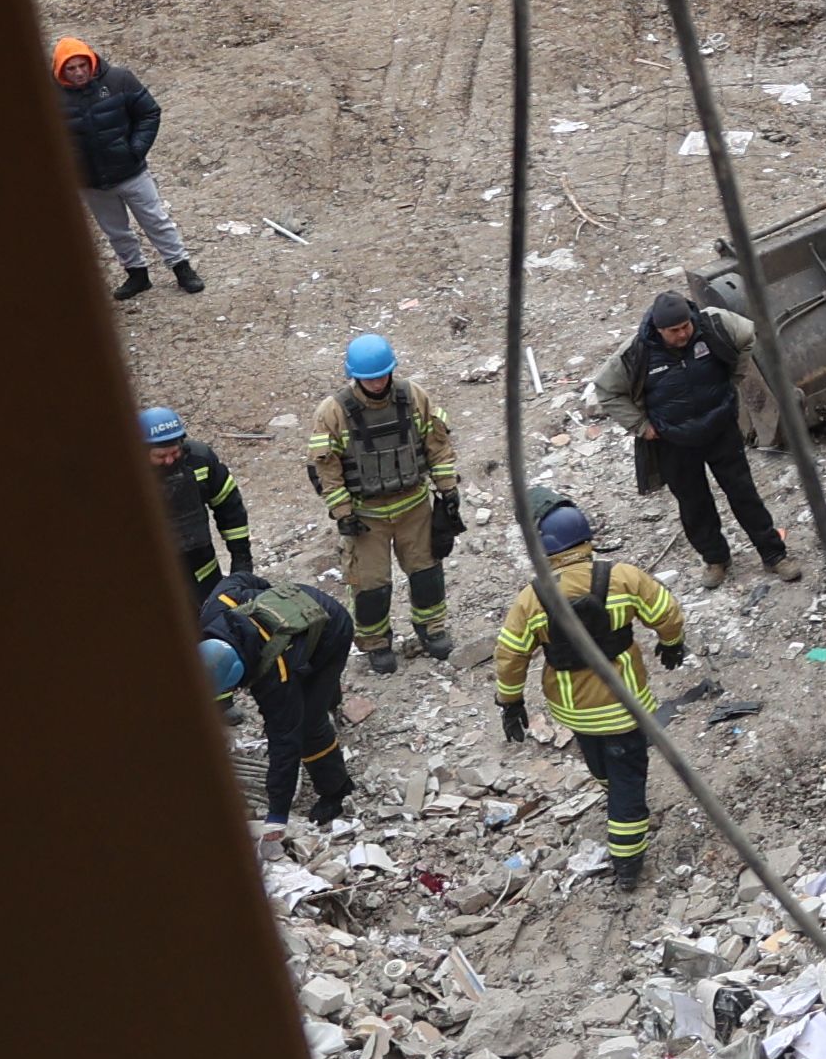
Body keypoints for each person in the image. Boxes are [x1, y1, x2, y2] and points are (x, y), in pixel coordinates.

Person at [494, 500, 686, 890]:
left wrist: (511, 702)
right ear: (585, 538)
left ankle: (618, 805)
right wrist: (672, 643)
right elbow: (667, 612)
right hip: (626, 705)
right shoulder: (624, 577)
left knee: (603, 768)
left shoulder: (531, 599)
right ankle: (628, 863)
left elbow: (511, 655)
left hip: (576, 711)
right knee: (629, 778)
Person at [602, 286, 790, 582]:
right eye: (674, 330)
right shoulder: (636, 352)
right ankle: (715, 560)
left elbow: (746, 335)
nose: (683, 334)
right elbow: (607, 391)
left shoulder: (712, 325)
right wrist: (641, 426)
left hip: (720, 430)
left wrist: (734, 379)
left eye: (685, 326)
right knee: (694, 504)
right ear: (659, 329)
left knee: (744, 494)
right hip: (674, 443)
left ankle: (774, 555)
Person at [308, 335, 463, 671]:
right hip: (367, 515)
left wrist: (448, 491)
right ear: (355, 377)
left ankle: (431, 628)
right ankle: (376, 642)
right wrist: (342, 513)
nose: (377, 383)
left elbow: (436, 445)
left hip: (414, 505)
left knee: (427, 573)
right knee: (370, 586)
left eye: (382, 375)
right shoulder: (333, 412)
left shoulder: (413, 396)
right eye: (369, 378)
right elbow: (326, 468)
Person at [202, 567, 357, 825]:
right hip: (298, 608)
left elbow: (285, 742)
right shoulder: (214, 612)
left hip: (332, 629)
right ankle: (327, 695)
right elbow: (240, 578)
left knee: (309, 725)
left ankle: (337, 791)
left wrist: (277, 815)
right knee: (315, 691)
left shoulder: (275, 674)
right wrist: (268, 595)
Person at [53, 33, 201, 299]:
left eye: (82, 65)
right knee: (116, 232)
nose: (78, 73)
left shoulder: (119, 80)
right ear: (61, 70)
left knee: (156, 221)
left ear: (91, 61)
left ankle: (182, 268)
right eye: (71, 68)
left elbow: (149, 112)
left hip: (131, 172)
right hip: (92, 182)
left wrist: (136, 149)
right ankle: (137, 275)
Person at [142, 404, 255, 602]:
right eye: (160, 456)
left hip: (203, 570)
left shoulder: (199, 460)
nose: (169, 461)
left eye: (174, 453)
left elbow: (230, 509)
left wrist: (241, 560)